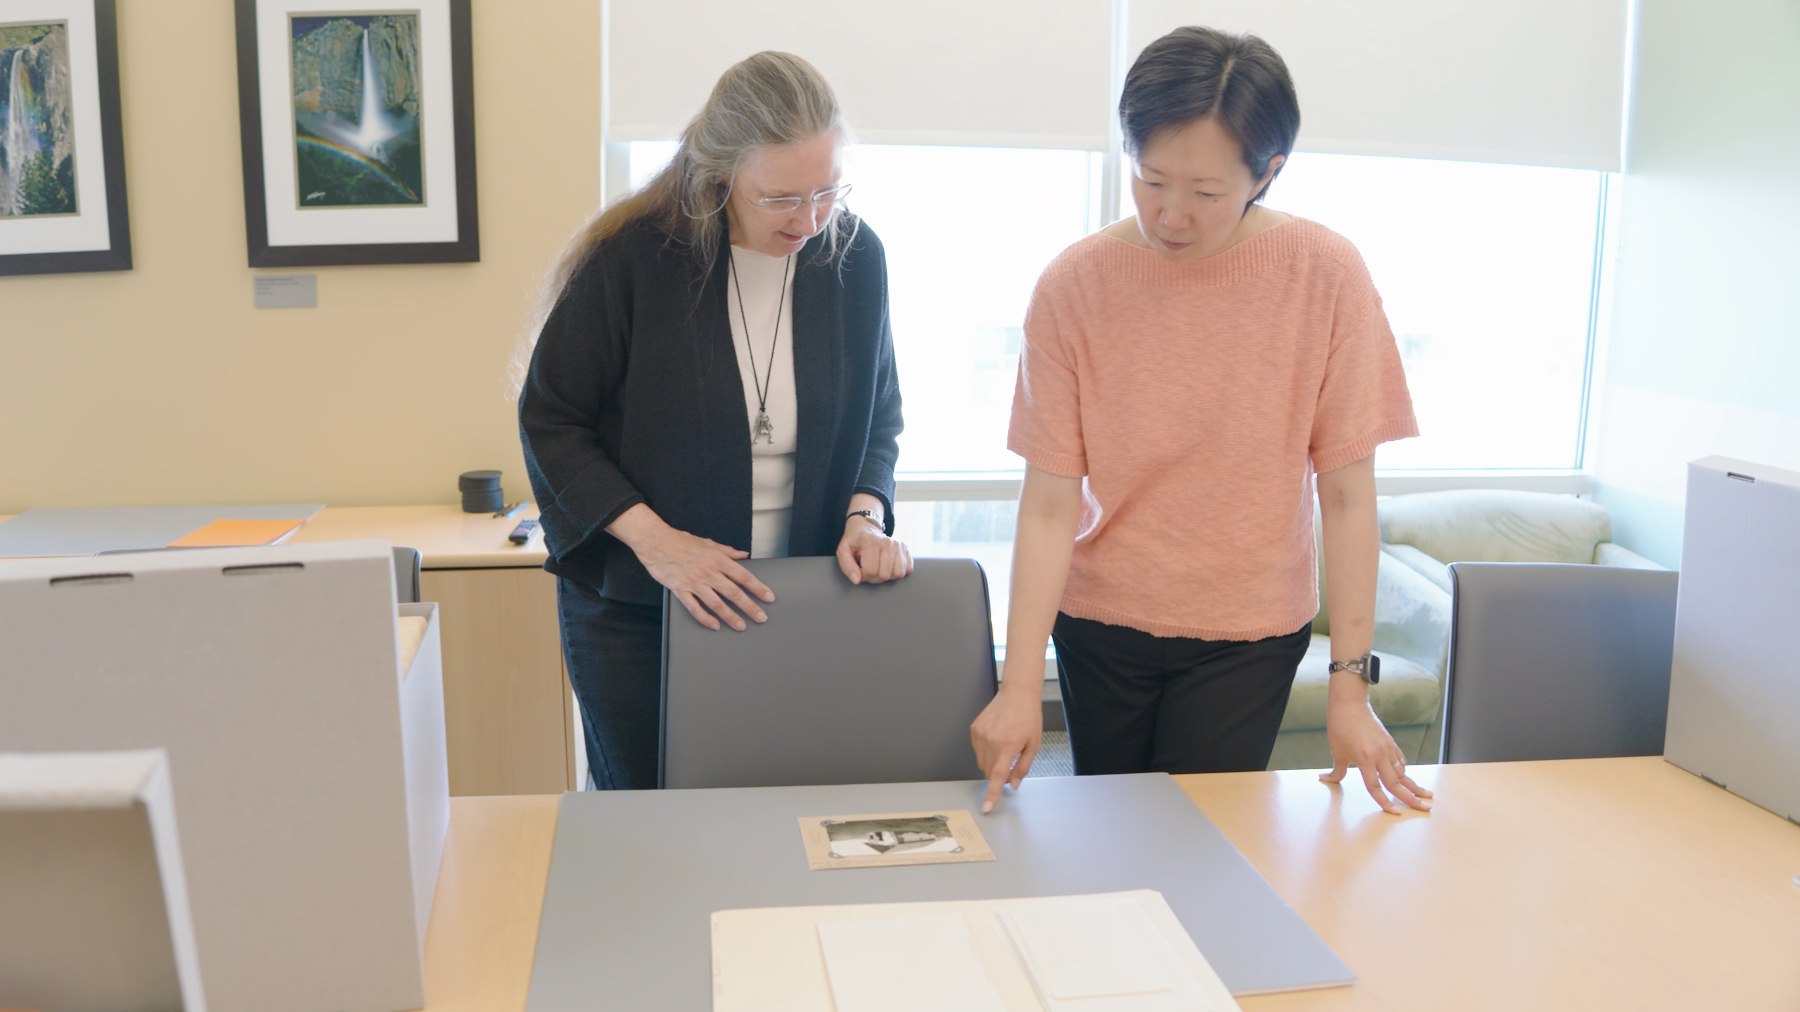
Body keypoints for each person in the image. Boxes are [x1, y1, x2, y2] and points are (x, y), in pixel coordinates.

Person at [969, 26, 1433, 816]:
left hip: (1248, 633)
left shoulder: (1326, 276)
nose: (1170, 216)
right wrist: (1017, 686)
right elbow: (1048, 502)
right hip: (1099, 621)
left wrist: (1351, 691)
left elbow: (1349, 496)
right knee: (1108, 838)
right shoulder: (1073, 286)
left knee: (1206, 843)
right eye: (1150, 180)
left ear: (1267, 173)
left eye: (1206, 193)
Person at [518, 52, 912, 791]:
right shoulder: (633, 259)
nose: (810, 220)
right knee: (655, 834)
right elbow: (552, 418)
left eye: (828, 190)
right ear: (723, 172)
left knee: (786, 817)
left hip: (796, 600)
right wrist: (659, 545)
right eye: (781, 198)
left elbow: (879, 418)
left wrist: (867, 515)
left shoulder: (855, 261)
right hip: (642, 611)